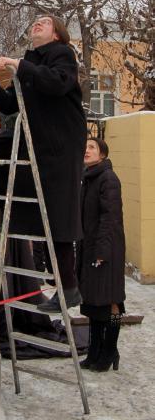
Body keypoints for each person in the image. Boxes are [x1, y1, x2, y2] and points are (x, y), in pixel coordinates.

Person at [0, 15, 87, 312]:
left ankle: (69, 289)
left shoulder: (63, 54)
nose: (37, 24)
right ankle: (2, 210)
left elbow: (58, 83)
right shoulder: (30, 63)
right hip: (37, 146)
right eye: (35, 22)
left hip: (60, 146)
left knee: (58, 217)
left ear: (58, 35)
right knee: (46, 216)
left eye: (45, 22)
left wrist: (16, 64)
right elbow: (11, 105)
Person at [77, 137, 126, 371]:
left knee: (112, 303)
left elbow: (110, 218)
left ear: (103, 154)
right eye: (85, 147)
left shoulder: (109, 179)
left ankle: (109, 351)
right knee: (94, 303)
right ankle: (94, 351)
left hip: (107, 250)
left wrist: (102, 252)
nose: (86, 150)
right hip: (92, 248)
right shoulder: (88, 178)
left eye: (92, 147)